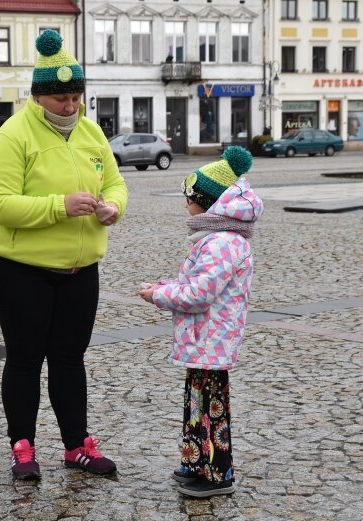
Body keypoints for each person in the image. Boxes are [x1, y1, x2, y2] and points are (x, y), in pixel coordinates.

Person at [0, 29, 129, 481]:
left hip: (80, 268)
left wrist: (112, 208)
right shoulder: (14, 134)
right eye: (61, 98)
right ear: (39, 97)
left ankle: (76, 445)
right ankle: (22, 446)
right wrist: (57, 206)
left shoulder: (89, 132)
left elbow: (116, 184)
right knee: (25, 358)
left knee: (70, 357)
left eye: (76, 97)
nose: (70, 106)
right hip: (21, 268)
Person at [138, 146, 263, 498]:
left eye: (189, 197)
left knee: (211, 409)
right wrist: (165, 286)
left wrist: (157, 295)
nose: (185, 204)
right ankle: (196, 461)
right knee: (197, 403)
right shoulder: (215, 238)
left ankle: (217, 473)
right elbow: (197, 287)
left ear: (208, 202)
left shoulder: (221, 243)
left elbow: (198, 295)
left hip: (210, 339)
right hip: (203, 339)